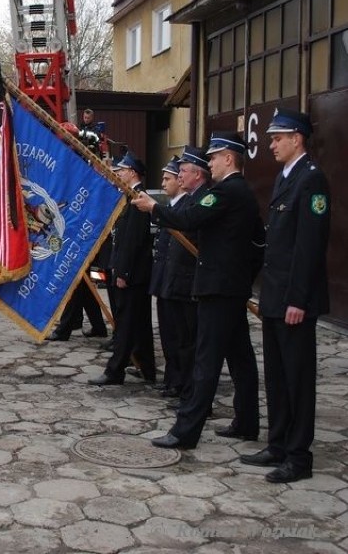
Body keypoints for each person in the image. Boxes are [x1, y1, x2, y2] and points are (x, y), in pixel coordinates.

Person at [133, 132, 265, 450]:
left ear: (229, 159)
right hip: (229, 287)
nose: (210, 163)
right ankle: (247, 422)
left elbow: (189, 217)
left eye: (214, 157)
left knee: (206, 361)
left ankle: (185, 431)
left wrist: (154, 207)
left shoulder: (227, 191)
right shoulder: (240, 191)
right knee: (241, 358)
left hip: (218, 289)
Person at [240, 109, 330, 484]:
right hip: (276, 296)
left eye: (278, 138)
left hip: (295, 300)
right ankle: (277, 444)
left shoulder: (312, 181)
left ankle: (298, 456)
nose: (271, 144)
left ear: (297, 138)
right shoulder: (285, 178)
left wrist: (297, 299)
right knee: (276, 377)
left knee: (297, 379)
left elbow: (308, 248)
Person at [88, 152, 155, 385]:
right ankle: (147, 368)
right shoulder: (128, 197)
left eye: (122, 171)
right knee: (139, 323)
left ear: (132, 173)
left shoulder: (138, 199)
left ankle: (115, 370)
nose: (118, 174)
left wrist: (123, 272)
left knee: (126, 324)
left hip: (133, 274)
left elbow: (133, 241)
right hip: (129, 271)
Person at [160, 146, 212, 405]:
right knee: (180, 340)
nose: (180, 176)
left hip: (190, 282)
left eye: (183, 171)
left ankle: (191, 393)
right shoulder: (191, 199)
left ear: (198, 174)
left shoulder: (202, 200)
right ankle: (183, 388)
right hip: (177, 282)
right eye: (178, 172)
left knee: (190, 343)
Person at [149, 156, 183, 395]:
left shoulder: (184, 207)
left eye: (168, 178)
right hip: (164, 280)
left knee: (180, 338)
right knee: (168, 336)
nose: (164, 182)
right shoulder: (172, 207)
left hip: (177, 282)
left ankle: (178, 382)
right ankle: (172, 378)